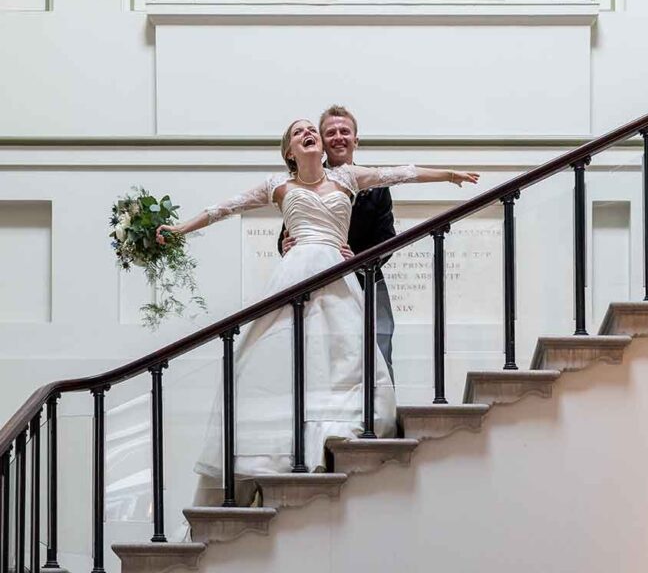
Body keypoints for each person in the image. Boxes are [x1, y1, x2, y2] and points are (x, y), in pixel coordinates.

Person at [157, 118, 478, 476]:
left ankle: (339, 429)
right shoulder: (276, 184)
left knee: (346, 351)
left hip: (336, 271)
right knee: (289, 352)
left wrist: (448, 174)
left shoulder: (347, 178)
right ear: (289, 152)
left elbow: (401, 173)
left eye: (311, 130)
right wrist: (181, 228)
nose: (308, 134)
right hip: (294, 272)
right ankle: (285, 442)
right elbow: (226, 208)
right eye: (298, 132)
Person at [278, 105, 397, 378]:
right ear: (321, 141)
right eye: (330, 132)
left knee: (380, 346)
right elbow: (290, 233)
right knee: (320, 352)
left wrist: (357, 260)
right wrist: (284, 246)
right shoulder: (303, 181)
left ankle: (380, 417)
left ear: (356, 139)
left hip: (368, 281)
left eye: (345, 131)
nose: (338, 137)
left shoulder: (376, 186)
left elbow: (387, 237)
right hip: (319, 283)